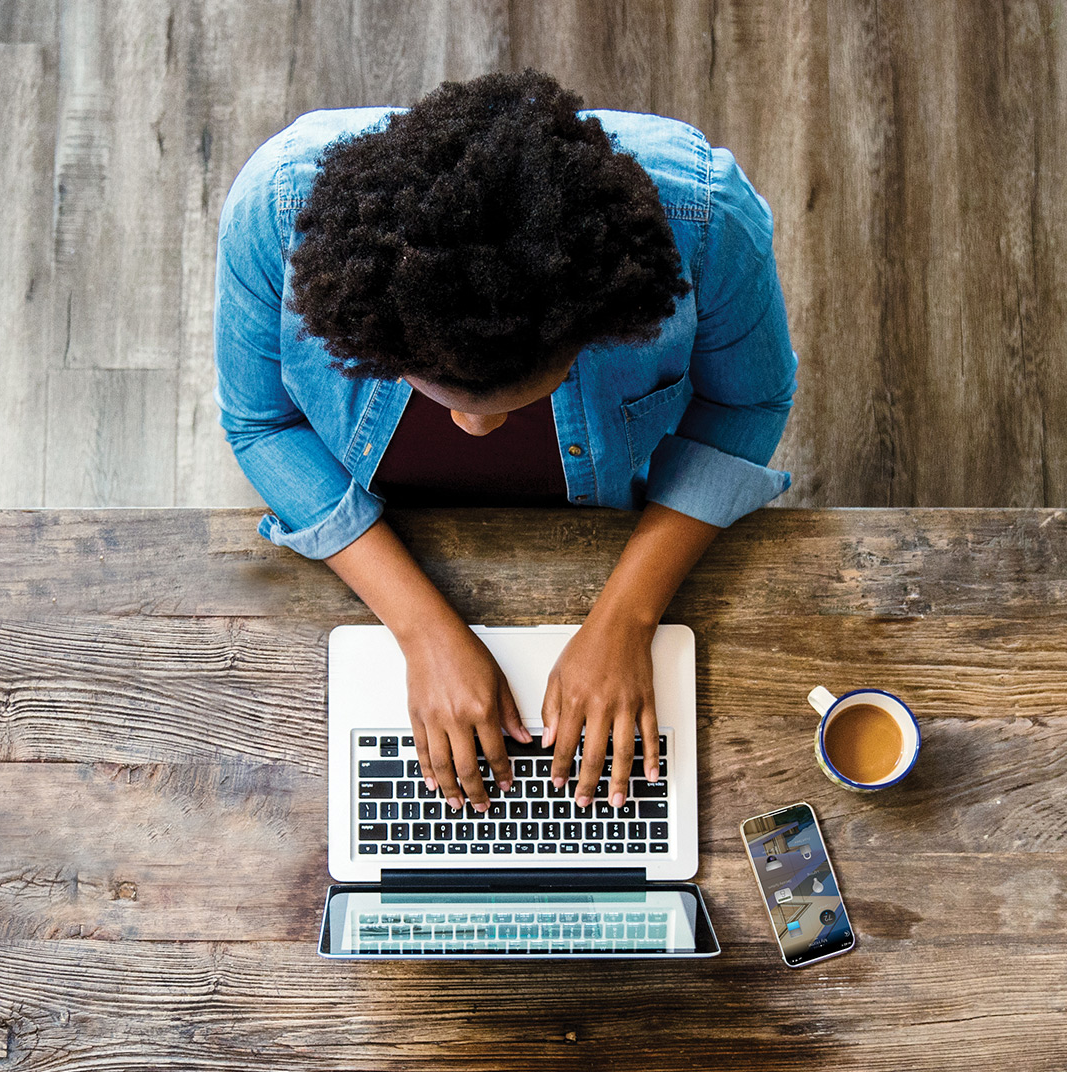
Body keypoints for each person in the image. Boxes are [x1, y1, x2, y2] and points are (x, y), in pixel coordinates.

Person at [214, 69, 797, 820]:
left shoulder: (707, 218)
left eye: (514, 401)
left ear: (597, 330)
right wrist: (422, 630)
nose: (475, 432)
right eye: (445, 395)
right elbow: (261, 424)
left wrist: (627, 619)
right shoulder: (277, 210)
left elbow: (748, 401)